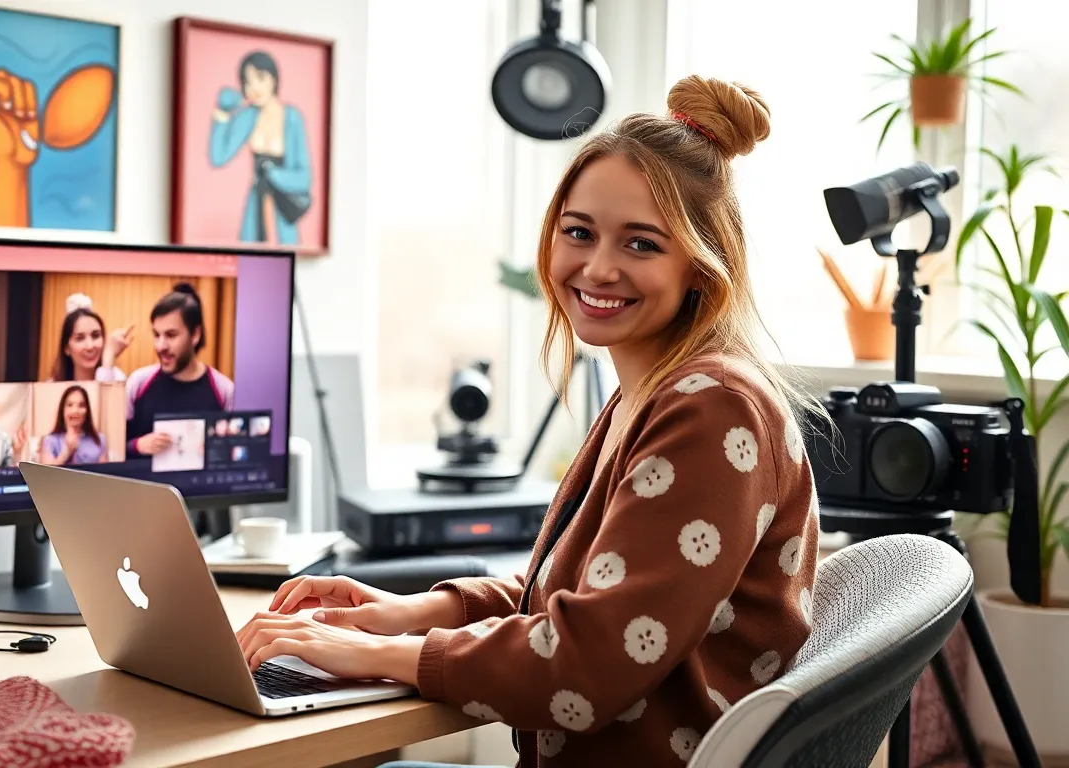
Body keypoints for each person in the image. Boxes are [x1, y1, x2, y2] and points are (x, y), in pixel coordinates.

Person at [235, 76, 823, 767]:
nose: (597, 268)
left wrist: (377, 653)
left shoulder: (712, 409)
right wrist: (409, 612)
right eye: (579, 233)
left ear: (699, 266)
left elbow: (589, 662)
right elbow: (578, 596)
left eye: (641, 245)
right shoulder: (653, 393)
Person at [209, 50, 312, 245]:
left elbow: (304, 178)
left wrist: (272, 174)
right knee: (248, 253)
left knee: (285, 254)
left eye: (260, 78)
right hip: (256, 203)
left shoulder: (292, 118)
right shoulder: (248, 116)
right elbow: (219, 157)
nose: (254, 88)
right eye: (248, 82)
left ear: (274, 79)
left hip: (282, 204)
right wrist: (222, 115)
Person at [126, 283, 235, 457]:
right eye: (156, 335)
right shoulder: (138, 382)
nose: (160, 346)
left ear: (195, 335)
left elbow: (235, 451)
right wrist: (138, 445)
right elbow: (112, 448)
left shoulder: (223, 390)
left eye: (171, 335)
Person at [48, 294, 132, 382]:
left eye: (95, 336)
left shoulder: (117, 377)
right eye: (80, 338)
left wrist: (108, 356)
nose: (90, 346)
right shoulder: (52, 385)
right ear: (66, 348)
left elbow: (105, 390)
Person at [40, 385, 108, 466]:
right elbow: (46, 472)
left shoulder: (99, 439)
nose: (75, 411)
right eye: (70, 405)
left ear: (87, 411)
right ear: (63, 410)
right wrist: (67, 452)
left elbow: (104, 470)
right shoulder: (50, 440)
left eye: (81, 405)